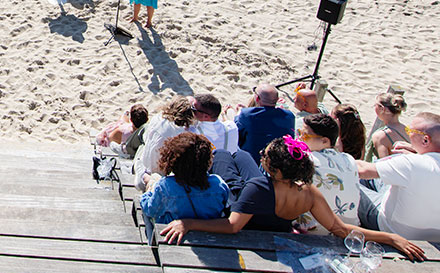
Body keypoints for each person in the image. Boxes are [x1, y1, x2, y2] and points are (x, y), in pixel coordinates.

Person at [160, 136, 425, 260]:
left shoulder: (257, 187)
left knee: (228, 157)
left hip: (245, 201)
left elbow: (232, 226)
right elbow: (341, 229)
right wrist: (390, 237)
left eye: (265, 157)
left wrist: (188, 223)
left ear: (274, 169)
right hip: (268, 206)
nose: (262, 156)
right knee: (240, 157)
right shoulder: (309, 192)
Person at [354, 112, 440, 242]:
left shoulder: (412, 163)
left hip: (395, 230)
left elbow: (362, 170)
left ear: (425, 140)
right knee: (390, 171)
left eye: (410, 131)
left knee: (354, 182)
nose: (407, 134)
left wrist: (337, 159)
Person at [141, 133, 230, 232]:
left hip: (172, 234)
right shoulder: (218, 184)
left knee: (153, 182)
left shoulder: (166, 186)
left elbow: (151, 210)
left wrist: (147, 194)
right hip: (209, 232)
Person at [293, 113, 360, 234]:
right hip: (351, 230)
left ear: (325, 141)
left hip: (315, 231)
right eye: (299, 132)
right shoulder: (348, 158)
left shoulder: (306, 159)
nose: (299, 138)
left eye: (305, 135)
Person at [133, 96, 196, 189]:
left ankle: (141, 173)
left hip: (148, 168)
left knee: (142, 147)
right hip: (165, 176)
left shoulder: (157, 118)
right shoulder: (184, 132)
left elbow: (146, 139)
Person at [234, 84, 295, 164]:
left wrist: (238, 115)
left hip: (253, 161)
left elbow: (238, 136)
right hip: (280, 162)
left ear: (257, 98)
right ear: (277, 99)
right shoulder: (289, 116)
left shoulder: (247, 114)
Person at [366, 92, 410, 160]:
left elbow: (384, 165)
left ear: (382, 109)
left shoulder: (380, 136)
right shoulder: (409, 130)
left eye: (376, 105)